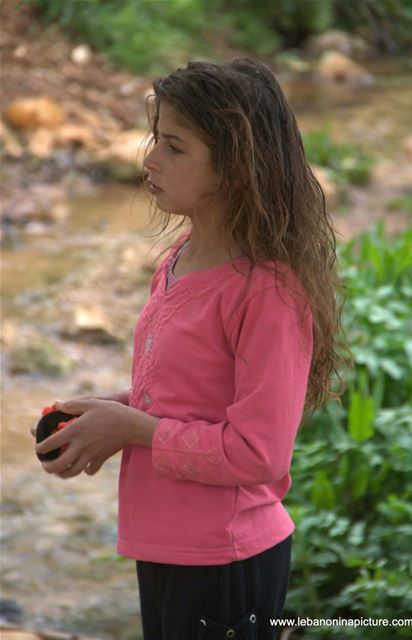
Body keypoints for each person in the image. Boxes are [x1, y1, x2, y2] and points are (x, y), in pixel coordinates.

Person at [35, 57, 347, 640]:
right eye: (156, 138)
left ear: (236, 171)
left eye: (175, 147)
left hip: (225, 561)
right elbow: (191, 395)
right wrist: (111, 412)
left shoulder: (268, 293)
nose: (150, 158)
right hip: (166, 543)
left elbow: (260, 454)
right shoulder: (180, 257)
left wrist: (133, 429)